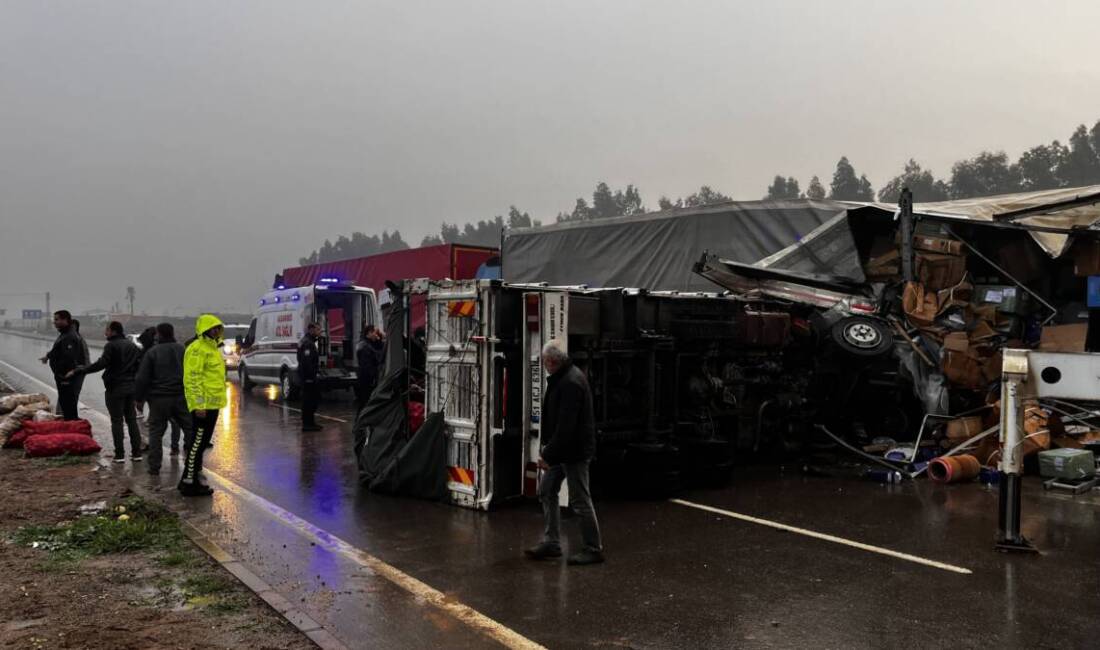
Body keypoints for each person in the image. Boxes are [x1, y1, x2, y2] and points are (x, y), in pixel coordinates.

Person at [525, 339, 604, 566]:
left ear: (551, 361)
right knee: (547, 490)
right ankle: (552, 542)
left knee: (580, 500)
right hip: (563, 450)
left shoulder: (570, 383)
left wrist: (547, 455)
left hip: (574, 451)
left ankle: (593, 548)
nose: (544, 364)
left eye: (544, 361)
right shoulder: (564, 377)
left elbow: (566, 427)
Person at [70, 321, 143, 462]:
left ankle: (120, 455)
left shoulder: (111, 345)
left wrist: (81, 370)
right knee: (132, 420)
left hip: (115, 388)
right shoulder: (132, 346)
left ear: (114, 331)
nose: (105, 333)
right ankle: (137, 453)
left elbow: (102, 364)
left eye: (107, 330)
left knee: (117, 421)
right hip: (130, 387)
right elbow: (138, 366)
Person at [179, 314, 227, 497]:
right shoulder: (197, 349)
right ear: (204, 329)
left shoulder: (213, 348)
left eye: (218, 328)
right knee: (196, 444)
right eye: (213, 328)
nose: (216, 331)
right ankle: (189, 482)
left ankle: (190, 479)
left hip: (213, 405)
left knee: (201, 444)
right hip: (203, 407)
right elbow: (192, 379)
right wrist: (198, 405)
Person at [135, 323, 191, 476]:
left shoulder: (152, 352)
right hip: (181, 397)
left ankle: (154, 467)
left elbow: (142, 378)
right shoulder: (182, 350)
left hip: (159, 399)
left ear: (158, 334)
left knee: (156, 433)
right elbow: (192, 373)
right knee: (189, 429)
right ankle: (193, 464)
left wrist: (139, 398)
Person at [39, 310, 83, 420]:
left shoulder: (70, 336)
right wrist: (48, 356)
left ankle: (72, 427)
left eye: (57, 319)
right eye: (54, 319)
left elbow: (69, 358)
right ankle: (70, 425)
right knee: (65, 404)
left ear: (65, 320)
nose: (54, 322)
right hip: (62, 377)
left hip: (66, 377)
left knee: (68, 405)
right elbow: (57, 350)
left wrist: (63, 375)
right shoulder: (64, 335)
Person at [297, 322, 322, 432]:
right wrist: (311, 377)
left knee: (311, 400)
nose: (319, 332)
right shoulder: (308, 343)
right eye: (318, 330)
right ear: (311, 330)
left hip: (307, 376)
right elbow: (306, 362)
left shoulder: (309, 341)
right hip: (308, 377)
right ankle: (307, 424)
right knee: (309, 401)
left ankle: (311, 422)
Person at [355, 324, 384, 412]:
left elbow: (380, 349)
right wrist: (373, 377)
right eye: (375, 333)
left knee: (366, 403)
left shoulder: (368, 344)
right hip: (366, 380)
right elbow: (368, 365)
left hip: (366, 379)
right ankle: (360, 423)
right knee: (365, 403)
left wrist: (379, 340)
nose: (377, 335)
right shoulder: (365, 347)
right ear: (369, 333)